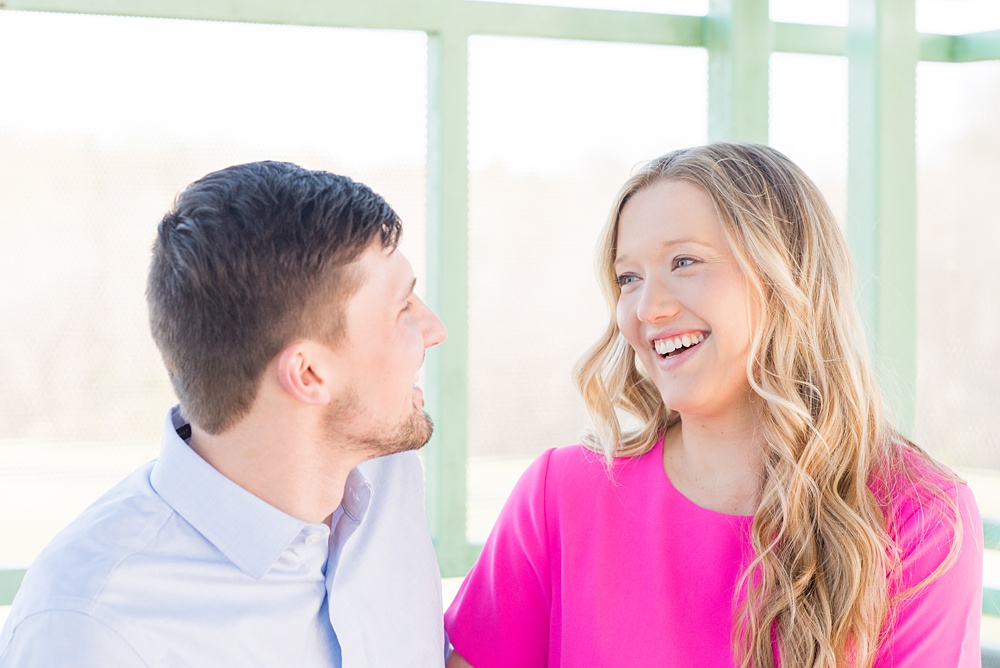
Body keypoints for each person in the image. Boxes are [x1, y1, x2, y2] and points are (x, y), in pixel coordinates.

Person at [444, 142, 983, 668]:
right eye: (628, 278)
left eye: (684, 261)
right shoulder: (559, 497)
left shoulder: (918, 515)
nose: (647, 309)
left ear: (785, 277)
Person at [0, 161, 448, 667]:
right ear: (308, 374)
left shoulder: (384, 479)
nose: (434, 328)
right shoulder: (89, 628)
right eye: (403, 306)